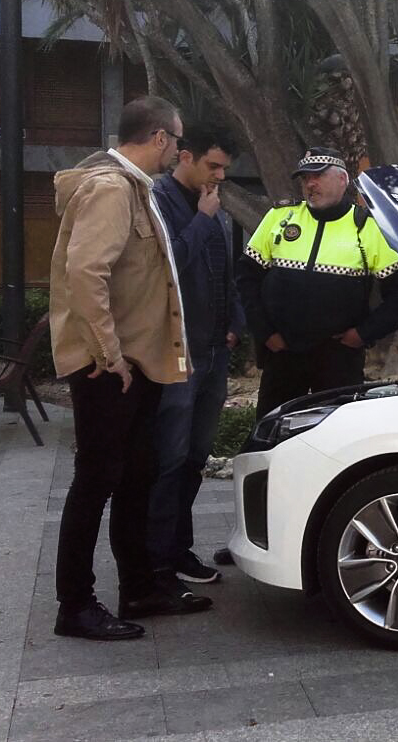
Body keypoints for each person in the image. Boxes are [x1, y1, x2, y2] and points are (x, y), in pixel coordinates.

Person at [48, 96, 213, 642]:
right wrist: (109, 354)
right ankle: (75, 605)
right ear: (161, 137)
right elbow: (85, 272)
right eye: (177, 139)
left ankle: (140, 587)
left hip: (136, 366)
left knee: (137, 475)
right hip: (108, 369)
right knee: (95, 481)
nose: (177, 150)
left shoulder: (135, 190)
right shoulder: (112, 189)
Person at [239, 147, 398, 420]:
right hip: (283, 354)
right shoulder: (281, 218)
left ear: (343, 180)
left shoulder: (366, 227)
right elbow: (247, 278)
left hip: (338, 358)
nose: (310, 184)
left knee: (337, 433)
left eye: (318, 177)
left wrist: (362, 335)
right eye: (305, 178)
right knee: (272, 430)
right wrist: (265, 333)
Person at [147, 131, 244, 588]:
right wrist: (205, 220)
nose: (219, 176)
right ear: (184, 156)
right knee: (169, 458)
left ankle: (177, 550)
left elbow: (226, 273)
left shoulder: (212, 205)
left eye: (223, 169)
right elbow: (167, 267)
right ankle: (156, 559)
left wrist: (234, 325)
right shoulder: (160, 201)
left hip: (212, 351)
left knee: (195, 456)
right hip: (176, 354)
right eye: (213, 166)